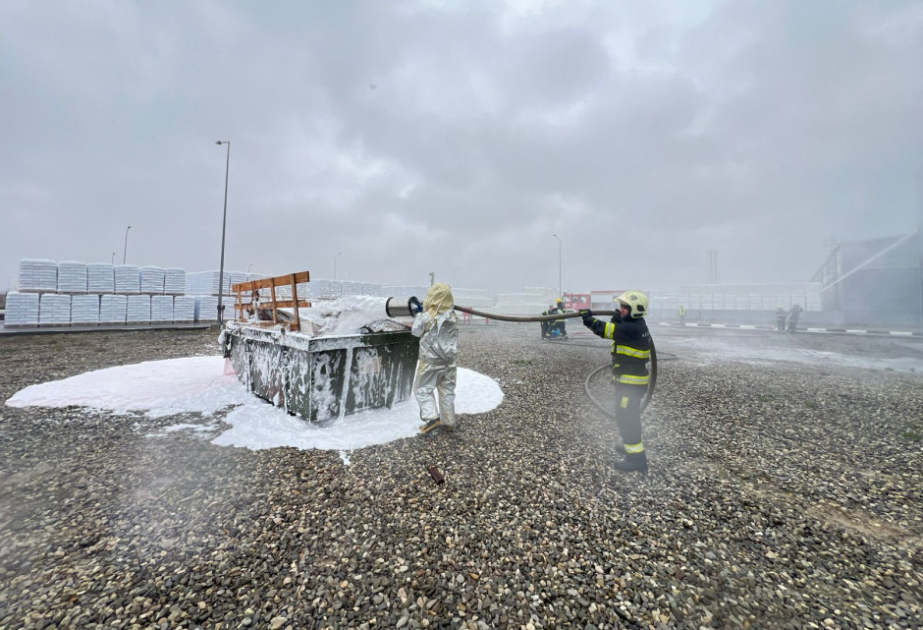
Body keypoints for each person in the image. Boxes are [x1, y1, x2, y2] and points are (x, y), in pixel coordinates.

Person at [580, 291, 652, 473]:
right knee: (626, 415)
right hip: (631, 383)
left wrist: (588, 319)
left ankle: (636, 458)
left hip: (631, 384)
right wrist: (619, 318)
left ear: (635, 310)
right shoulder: (637, 324)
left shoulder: (631, 329)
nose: (621, 310)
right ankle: (630, 446)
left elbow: (605, 330)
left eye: (625, 308)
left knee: (627, 418)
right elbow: (619, 332)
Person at [412, 283, 459, 434]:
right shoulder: (453, 317)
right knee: (447, 391)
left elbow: (415, 331)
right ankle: (449, 421)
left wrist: (420, 314)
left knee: (421, 389)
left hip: (430, 362)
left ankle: (432, 418)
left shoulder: (427, 317)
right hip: (449, 362)